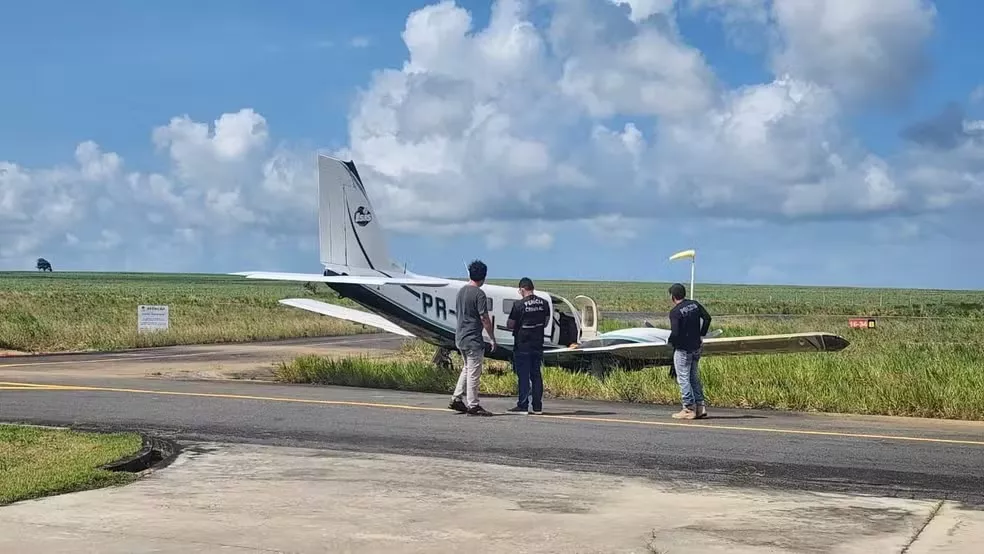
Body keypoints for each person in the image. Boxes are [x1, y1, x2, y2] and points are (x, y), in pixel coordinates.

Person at [449, 259, 496, 416]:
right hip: (473, 339)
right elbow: (484, 317)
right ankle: (473, 404)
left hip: (460, 336)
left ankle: (456, 397)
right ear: (483, 277)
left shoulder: (461, 291)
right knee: (474, 372)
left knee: (467, 368)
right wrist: (491, 338)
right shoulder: (479, 294)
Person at [667, 282, 711, 420]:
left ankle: (688, 408)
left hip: (683, 350)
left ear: (673, 297)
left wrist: (670, 342)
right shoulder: (695, 304)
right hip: (697, 347)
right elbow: (707, 318)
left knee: (683, 378)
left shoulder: (675, 312)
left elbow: (675, 333)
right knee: (693, 377)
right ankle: (700, 407)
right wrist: (701, 334)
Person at [506, 277, 549, 415]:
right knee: (536, 374)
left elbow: (510, 324)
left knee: (523, 376)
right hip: (538, 344)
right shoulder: (544, 303)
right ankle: (537, 407)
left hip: (523, 344)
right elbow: (546, 321)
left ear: (522, 289)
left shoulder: (519, 305)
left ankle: (523, 405)